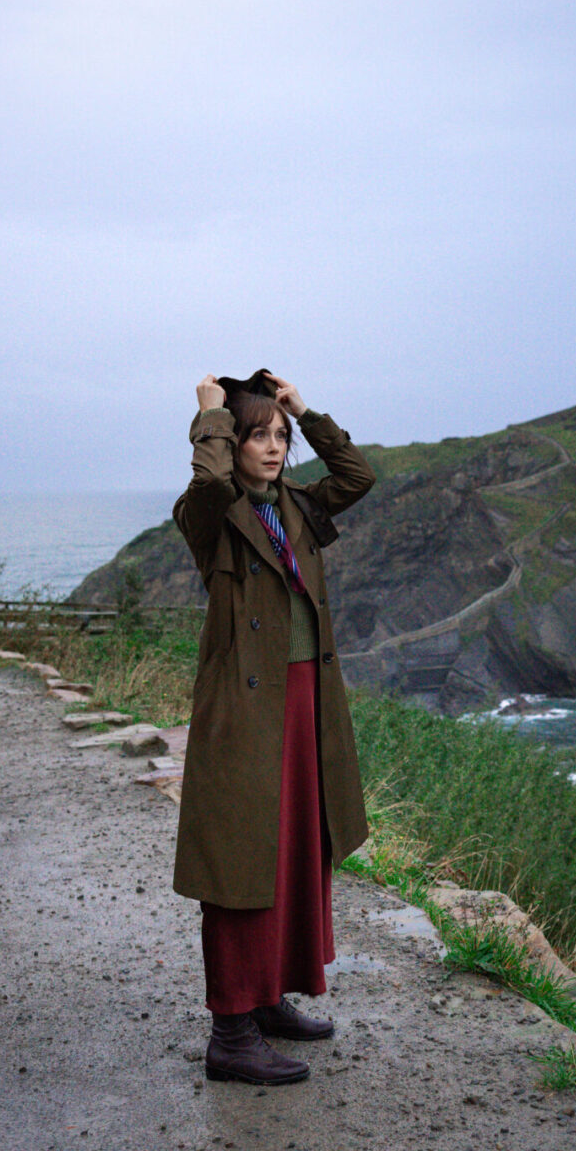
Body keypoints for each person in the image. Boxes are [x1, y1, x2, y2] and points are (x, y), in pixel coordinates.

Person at [172, 369, 377, 1084]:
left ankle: (267, 1000)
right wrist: (211, 417)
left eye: (279, 436)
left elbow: (357, 475)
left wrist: (305, 409)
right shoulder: (214, 516)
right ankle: (231, 1032)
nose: (272, 446)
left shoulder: (296, 505)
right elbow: (207, 486)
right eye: (257, 434)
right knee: (238, 865)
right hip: (243, 714)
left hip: (304, 707)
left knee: (292, 854)